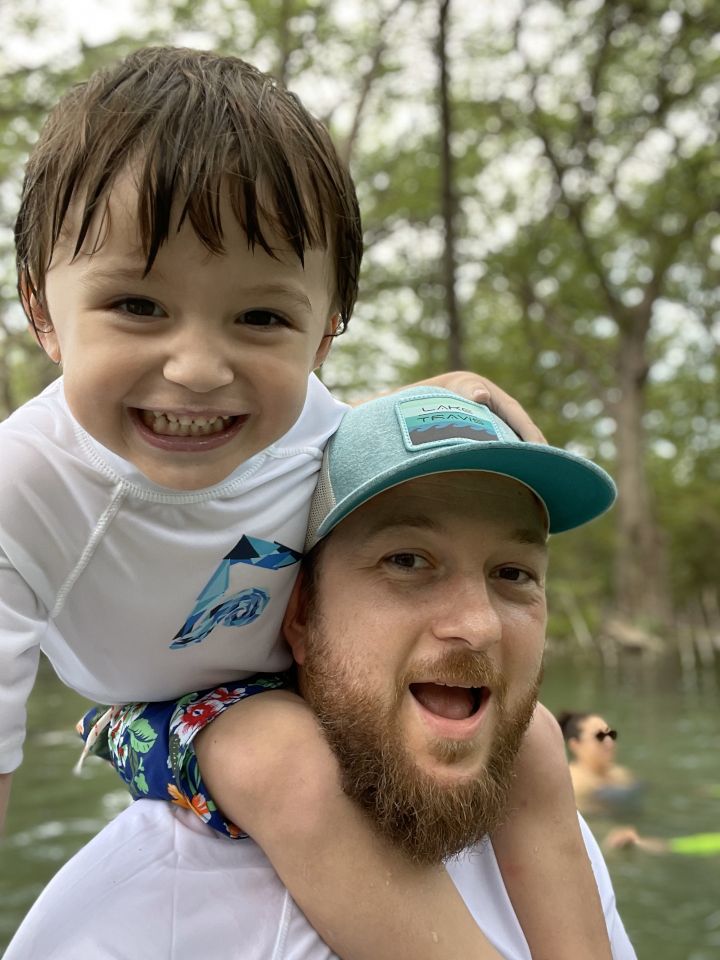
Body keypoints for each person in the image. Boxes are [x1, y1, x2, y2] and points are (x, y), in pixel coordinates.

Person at [0, 44, 607, 960]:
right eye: (137, 305)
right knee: (287, 761)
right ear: (42, 310)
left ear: (324, 334)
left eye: (261, 318)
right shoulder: (25, 492)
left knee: (532, 746)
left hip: (319, 675)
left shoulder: (314, 424)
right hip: (166, 711)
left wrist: (439, 395)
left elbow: (357, 435)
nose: (197, 368)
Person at [4, 387, 634, 960]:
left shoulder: (558, 836)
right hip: (175, 714)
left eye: (514, 573)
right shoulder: (132, 923)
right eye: (407, 560)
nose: (479, 625)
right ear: (300, 611)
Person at [556, 712, 643, 817]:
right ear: (575, 745)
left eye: (611, 734)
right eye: (599, 736)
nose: (609, 742)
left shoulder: (620, 773)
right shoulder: (573, 786)